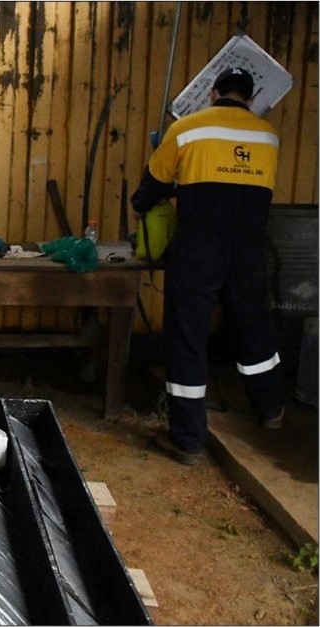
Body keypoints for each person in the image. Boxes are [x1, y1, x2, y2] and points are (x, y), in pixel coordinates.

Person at [131, 66, 284, 466]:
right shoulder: (268, 136)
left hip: (198, 252)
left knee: (187, 339)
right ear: (250, 100)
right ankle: (270, 410)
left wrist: (143, 205)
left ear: (213, 94)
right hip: (249, 252)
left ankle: (187, 439)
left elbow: (151, 187)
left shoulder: (186, 130)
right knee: (254, 331)